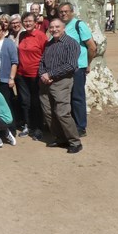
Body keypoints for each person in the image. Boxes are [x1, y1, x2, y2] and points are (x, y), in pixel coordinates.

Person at [39, 18, 82, 153]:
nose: (54, 29)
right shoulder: (49, 44)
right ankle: (60, 138)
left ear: (63, 28)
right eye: (51, 27)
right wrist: (43, 74)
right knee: (48, 112)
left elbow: (70, 65)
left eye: (57, 27)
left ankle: (75, 141)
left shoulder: (71, 43)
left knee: (62, 113)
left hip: (62, 82)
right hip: (45, 82)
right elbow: (42, 62)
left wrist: (50, 74)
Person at [58, 2, 96, 137]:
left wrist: (87, 63)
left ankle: (81, 126)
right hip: (62, 69)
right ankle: (70, 124)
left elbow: (92, 47)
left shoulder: (79, 25)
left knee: (77, 97)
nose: (63, 14)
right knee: (65, 97)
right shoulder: (59, 26)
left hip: (77, 67)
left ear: (72, 11)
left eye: (66, 11)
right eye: (61, 11)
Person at [16, 12, 48, 140]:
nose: (27, 23)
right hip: (21, 74)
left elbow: (46, 55)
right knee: (25, 102)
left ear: (35, 23)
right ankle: (27, 125)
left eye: (30, 21)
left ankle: (38, 127)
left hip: (35, 74)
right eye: (25, 21)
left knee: (36, 102)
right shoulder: (22, 35)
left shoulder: (41, 36)